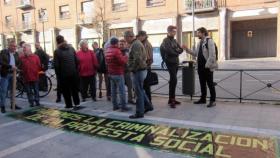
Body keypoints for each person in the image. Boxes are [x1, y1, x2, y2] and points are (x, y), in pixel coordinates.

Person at [185, 27, 218, 108]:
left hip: (207, 67)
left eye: (198, 32)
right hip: (200, 67)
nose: (197, 34)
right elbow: (196, 53)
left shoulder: (209, 41)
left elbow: (212, 55)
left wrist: (207, 65)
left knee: (210, 84)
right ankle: (203, 99)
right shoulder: (199, 42)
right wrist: (187, 49)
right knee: (202, 84)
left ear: (203, 33)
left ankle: (213, 101)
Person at [124, 30, 153, 119]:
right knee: (140, 90)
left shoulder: (136, 44)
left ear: (129, 37)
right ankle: (148, 106)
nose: (125, 40)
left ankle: (139, 112)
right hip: (140, 70)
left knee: (138, 92)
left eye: (125, 38)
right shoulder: (136, 43)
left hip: (138, 71)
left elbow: (138, 60)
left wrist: (132, 69)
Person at [53, 35, 80, 110]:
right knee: (74, 89)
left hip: (64, 75)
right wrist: (75, 70)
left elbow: (56, 65)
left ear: (57, 42)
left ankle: (69, 105)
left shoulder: (57, 51)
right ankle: (77, 103)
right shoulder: (71, 48)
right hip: (73, 73)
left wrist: (58, 76)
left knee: (66, 90)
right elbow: (77, 61)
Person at [160, 25, 184, 108]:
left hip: (175, 62)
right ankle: (172, 99)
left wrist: (176, 50)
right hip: (170, 62)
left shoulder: (174, 40)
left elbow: (181, 49)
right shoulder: (165, 40)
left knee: (173, 81)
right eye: (173, 31)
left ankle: (171, 99)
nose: (175, 33)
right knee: (174, 80)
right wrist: (176, 51)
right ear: (169, 31)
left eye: (175, 31)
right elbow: (170, 51)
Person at [105, 37, 130, 111]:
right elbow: (122, 61)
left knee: (113, 91)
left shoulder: (107, 50)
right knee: (122, 91)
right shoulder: (117, 51)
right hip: (118, 73)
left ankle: (115, 106)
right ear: (116, 43)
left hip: (111, 73)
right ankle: (123, 107)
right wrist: (126, 56)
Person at [0, 40, 22, 113]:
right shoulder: (3, 52)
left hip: (14, 74)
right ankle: (2, 106)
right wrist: (10, 66)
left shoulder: (16, 54)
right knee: (4, 90)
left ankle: (13, 104)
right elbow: (1, 62)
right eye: (13, 46)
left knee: (13, 90)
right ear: (9, 46)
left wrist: (16, 67)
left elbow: (19, 62)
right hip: (5, 74)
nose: (15, 48)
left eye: (15, 46)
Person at [137, 31, 153, 103]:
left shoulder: (146, 44)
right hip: (144, 67)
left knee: (146, 86)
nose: (138, 38)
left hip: (145, 67)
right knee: (144, 86)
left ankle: (148, 102)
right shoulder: (143, 43)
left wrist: (145, 66)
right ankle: (146, 101)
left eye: (139, 36)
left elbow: (149, 58)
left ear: (143, 36)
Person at [119, 39, 135, 104]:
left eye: (122, 44)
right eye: (120, 44)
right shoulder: (117, 51)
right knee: (121, 87)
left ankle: (130, 99)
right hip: (120, 72)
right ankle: (122, 100)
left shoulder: (128, 51)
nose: (121, 45)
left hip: (127, 71)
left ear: (125, 44)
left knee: (130, 86)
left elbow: (132, 60)